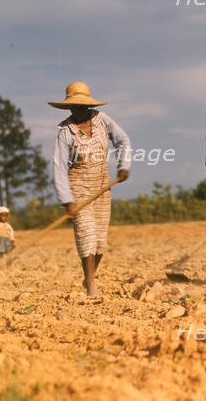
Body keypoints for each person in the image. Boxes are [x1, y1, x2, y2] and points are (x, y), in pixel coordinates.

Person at [51, 82, 131, 297]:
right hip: (78, 186)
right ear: (68, 108)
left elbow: (122, 140)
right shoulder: (65, 131)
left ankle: (88, 280)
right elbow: (59, 167)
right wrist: (68, 200)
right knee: (86, 235)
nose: (77, 110)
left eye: (81, 106)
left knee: (100, 241)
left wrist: (124, 166)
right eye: (73, 106)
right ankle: (92, 287)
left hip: (103, 186)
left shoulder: (101, 120)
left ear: (88, 105)